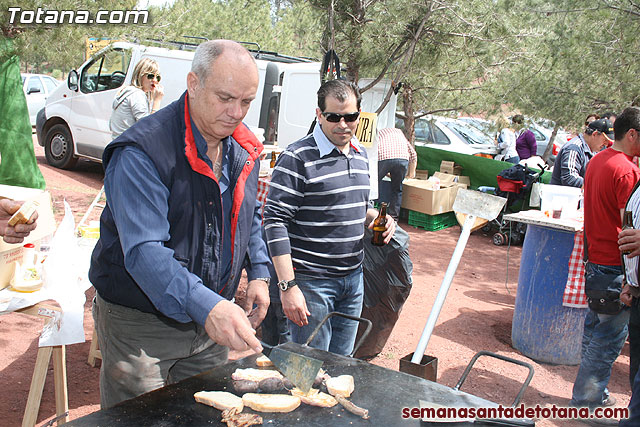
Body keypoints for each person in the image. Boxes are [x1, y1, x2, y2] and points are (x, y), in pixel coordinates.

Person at [88, 40, 271, 409]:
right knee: (140, 418)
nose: (237, 113)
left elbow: (246, 215)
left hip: (209, 323)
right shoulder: (142, 152)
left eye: (247, 102)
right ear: (193, 83)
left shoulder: (242, 148)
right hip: (141, 325)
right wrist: (208, 307)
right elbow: (145, 253)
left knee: (201, 415)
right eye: (225, 98)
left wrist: (262, 272)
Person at [263, 79, 396, 356]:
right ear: (319, 115)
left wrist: (375, 218)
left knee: (340, 366)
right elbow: (275, 222)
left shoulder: (360, 154)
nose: (343, 124)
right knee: (306, 369)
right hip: (312, 284)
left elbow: (355, 206)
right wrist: (288, 287)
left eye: (350, 117)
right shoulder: (297, 157)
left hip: (352, 281)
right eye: (334, 117)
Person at [570, 106, 640, 424]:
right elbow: (630, 223)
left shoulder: (597, 160)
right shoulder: (627, 171)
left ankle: (590, 395)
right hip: (615, 264)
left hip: (595, 259)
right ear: (632, 134)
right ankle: (586, 401)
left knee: (595, 329)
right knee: (608, 337)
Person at [109, 58, 165, 139]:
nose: (155, 80)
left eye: (158, 77)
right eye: (151, 76)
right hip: (127, 146)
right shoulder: (137, 95)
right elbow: (148, 128)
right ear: (140, 75)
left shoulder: (128, 91)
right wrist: (157, 101)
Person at [549, 118, 612, 188]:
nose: (606, 144)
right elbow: (569, 178)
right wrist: (595, 185)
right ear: (594, 134)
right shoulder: (573, 148)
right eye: (605, 140)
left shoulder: (593, 151)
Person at [377, 127, 417, 220]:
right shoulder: (400, 134)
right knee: (397, 189)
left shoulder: (379, 134)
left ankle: (369, 210)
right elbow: (413, 155)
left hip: (383, 158)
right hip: (402, 159)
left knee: (373, 185)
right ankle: (394, 217)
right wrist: (411, 174)